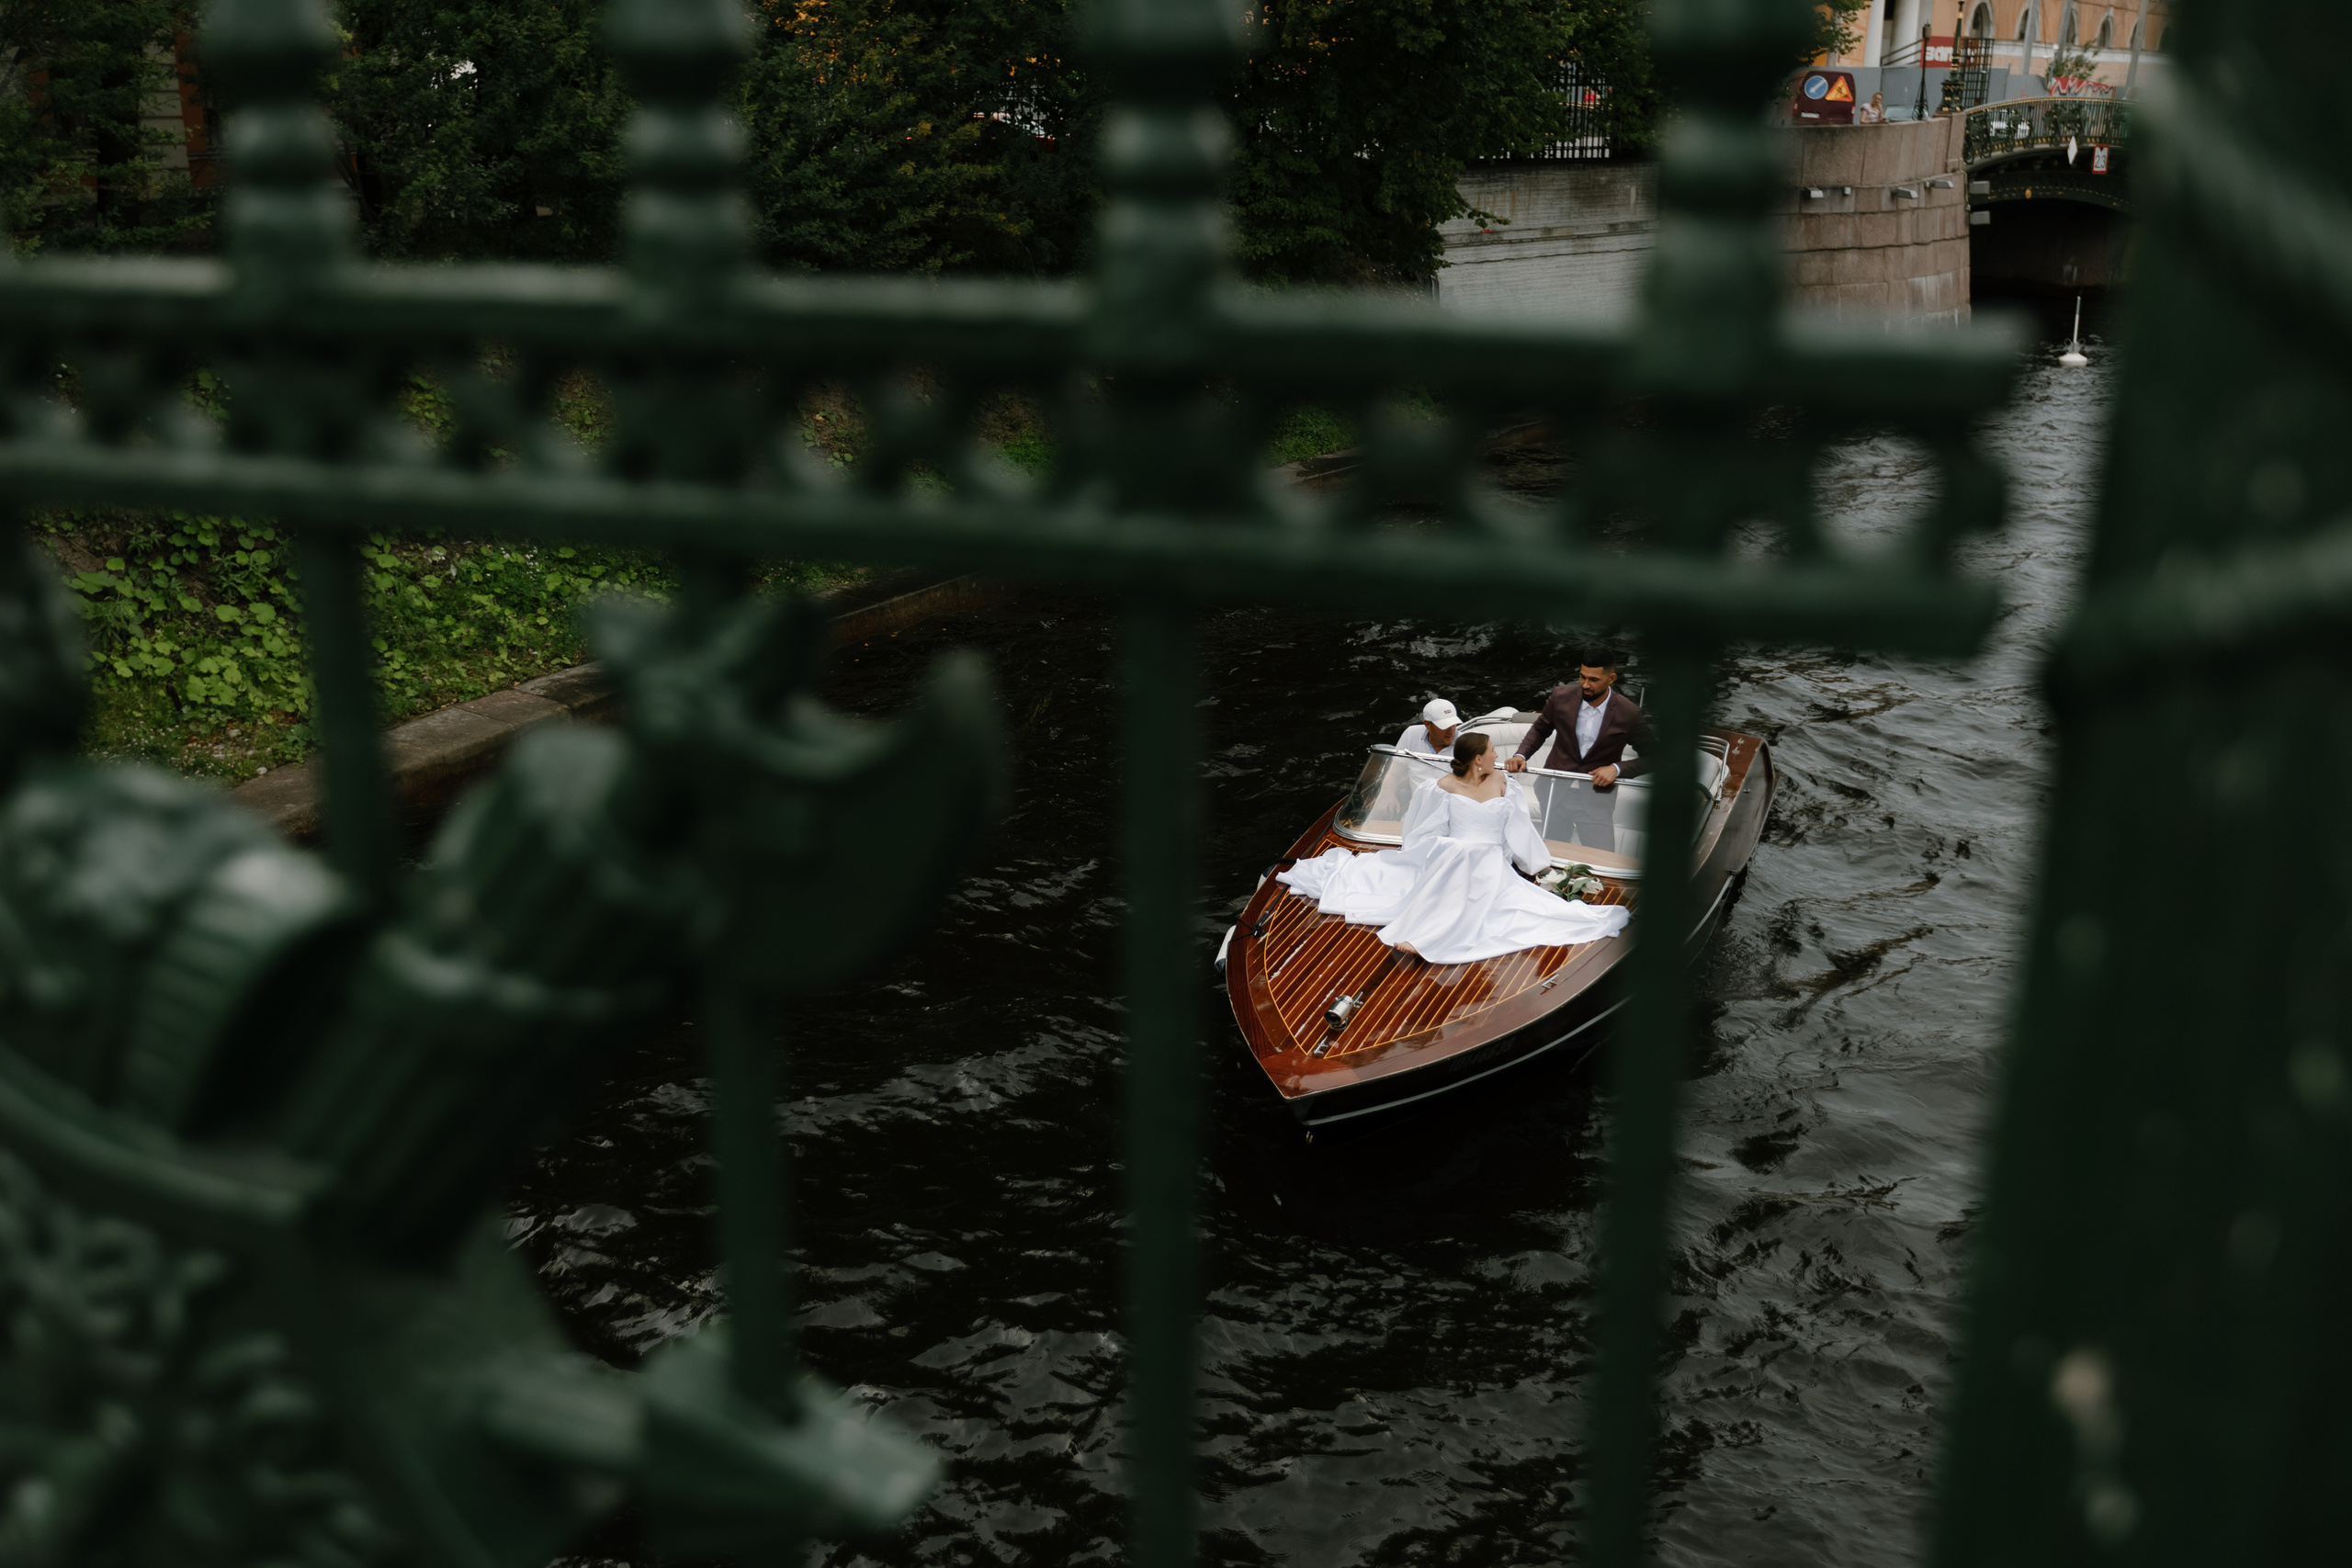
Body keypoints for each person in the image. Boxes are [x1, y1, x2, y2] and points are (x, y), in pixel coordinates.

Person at [1277, 732, 1630, 964]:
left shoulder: (1504, 782)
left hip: (1491, 860)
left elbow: (1519, 830)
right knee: (1458, 853)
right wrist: (1432, 850)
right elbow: (1422, 829)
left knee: (1469, 857)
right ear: (1478, 758)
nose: (1496, 756)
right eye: (1492, 752)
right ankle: (1424, 933)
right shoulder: (1442, 786)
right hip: (1454, 856)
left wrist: (1537, 866)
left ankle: (1426, 934)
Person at [1505, 649, 1654, 785]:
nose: (1585, 685)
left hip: (1597, 797)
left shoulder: (1629, 713)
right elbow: (1540, 730)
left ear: (1611, 679)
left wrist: (1616, 769)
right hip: (1552, 789)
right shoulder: (1560, 697)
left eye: (1593, 680)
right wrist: (1521, 755)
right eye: (1582, 677)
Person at [1394, 698, 1460, 758]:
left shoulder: (1465, 744)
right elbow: (1396, 766)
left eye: (1453, 724)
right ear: (1427, 724)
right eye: (1445, 726)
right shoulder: (1410, 734)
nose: (1451, 731)